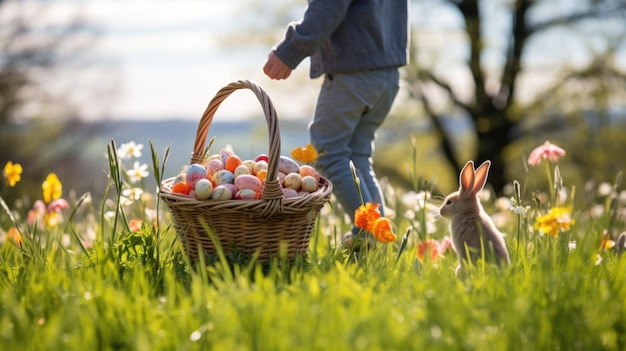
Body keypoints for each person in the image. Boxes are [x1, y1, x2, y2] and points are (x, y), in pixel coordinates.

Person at [263, 0, 409, 248]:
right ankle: (379, 240)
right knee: (357, 157)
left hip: (353, 73)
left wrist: (289, 50)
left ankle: (368, 234)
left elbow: (328, 7)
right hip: (387, 73)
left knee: (328, 154)